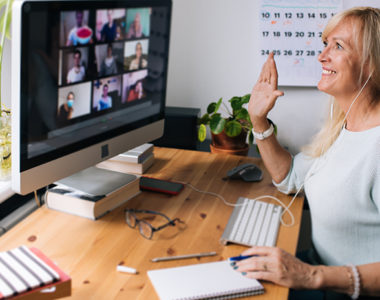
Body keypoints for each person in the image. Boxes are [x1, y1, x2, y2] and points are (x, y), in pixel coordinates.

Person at [232, 7, 380, 299]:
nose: (322, 56)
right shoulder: (343, 124)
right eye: (325, 44)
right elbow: (289, 177)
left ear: (371, 64)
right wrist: (258, 121)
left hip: (345, 288)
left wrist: (312, 276)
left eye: (338, 46)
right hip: (321, 271)